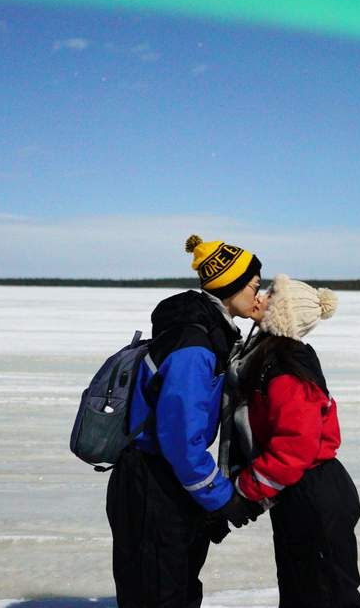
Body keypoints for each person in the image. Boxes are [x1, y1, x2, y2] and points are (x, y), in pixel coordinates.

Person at [104, 234, 267, 608]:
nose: (259, 296)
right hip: (152, 484)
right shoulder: (194, 348)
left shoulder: (207, 333)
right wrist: (220, 500)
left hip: (169, 481)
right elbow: (181, 440)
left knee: (177, 588)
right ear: (231, 285)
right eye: (255, 286)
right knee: (160, 595)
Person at [228, 274, 360, 608]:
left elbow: (294, 447)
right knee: (301, 589)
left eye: (270, 296)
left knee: (327, 593)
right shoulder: (268, 356)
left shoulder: (287, 368)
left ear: (282, 314)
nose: (259, 297)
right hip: (297, 491)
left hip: (315, 493)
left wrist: (245, 490)